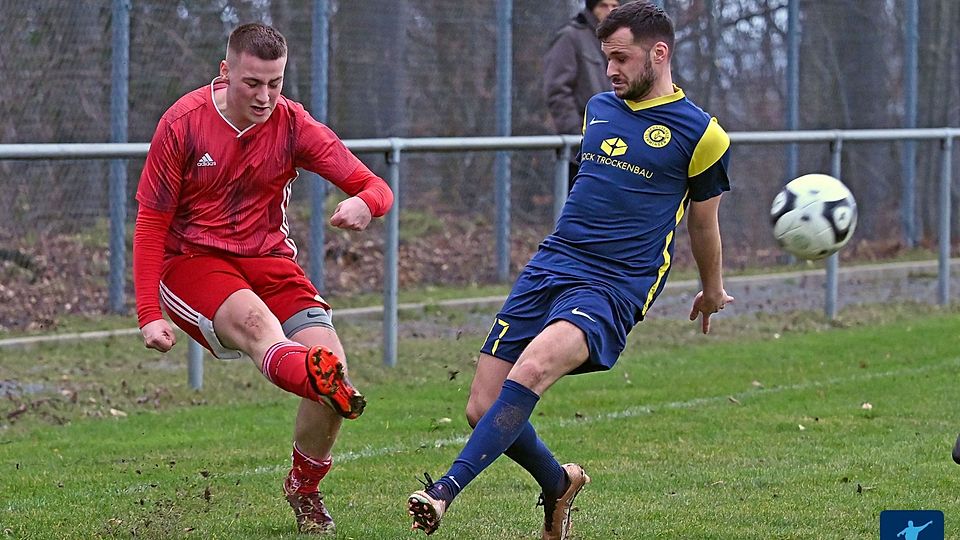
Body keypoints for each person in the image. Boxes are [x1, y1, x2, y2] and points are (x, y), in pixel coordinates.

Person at [407, 3, 733, 539]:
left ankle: (444, 491)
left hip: (614, 285)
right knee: (482, 406)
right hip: (552, 264)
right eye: (606, 60)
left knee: (530, 370)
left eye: (621, 59)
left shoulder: (703, 135)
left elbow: (704, 226)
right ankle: (559, 484)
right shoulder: (599, 109)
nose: (611, 72)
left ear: (659, 53)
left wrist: (712, 289)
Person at [133, 23, 393, 535]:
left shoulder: (292, 123)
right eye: (253, 83)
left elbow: (373, 184)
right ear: (226, 71)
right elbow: (150, 222)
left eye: (275, 83)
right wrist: (148, 313)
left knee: (333, 367)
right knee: (259, 330)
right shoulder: (182, 123)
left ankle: (305, 489)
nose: (265, 95)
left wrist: (365, 203)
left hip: (269, 259)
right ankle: (314, 375)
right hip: (192, 262)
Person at [543, 0, 620, 189]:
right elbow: (557, 90)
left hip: (615, 146)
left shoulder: (620, 40)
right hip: (581, 153)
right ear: (592, 7)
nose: (610, 11)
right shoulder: (571, 37)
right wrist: (579, 136)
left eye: (615, 6)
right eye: (604, 5)